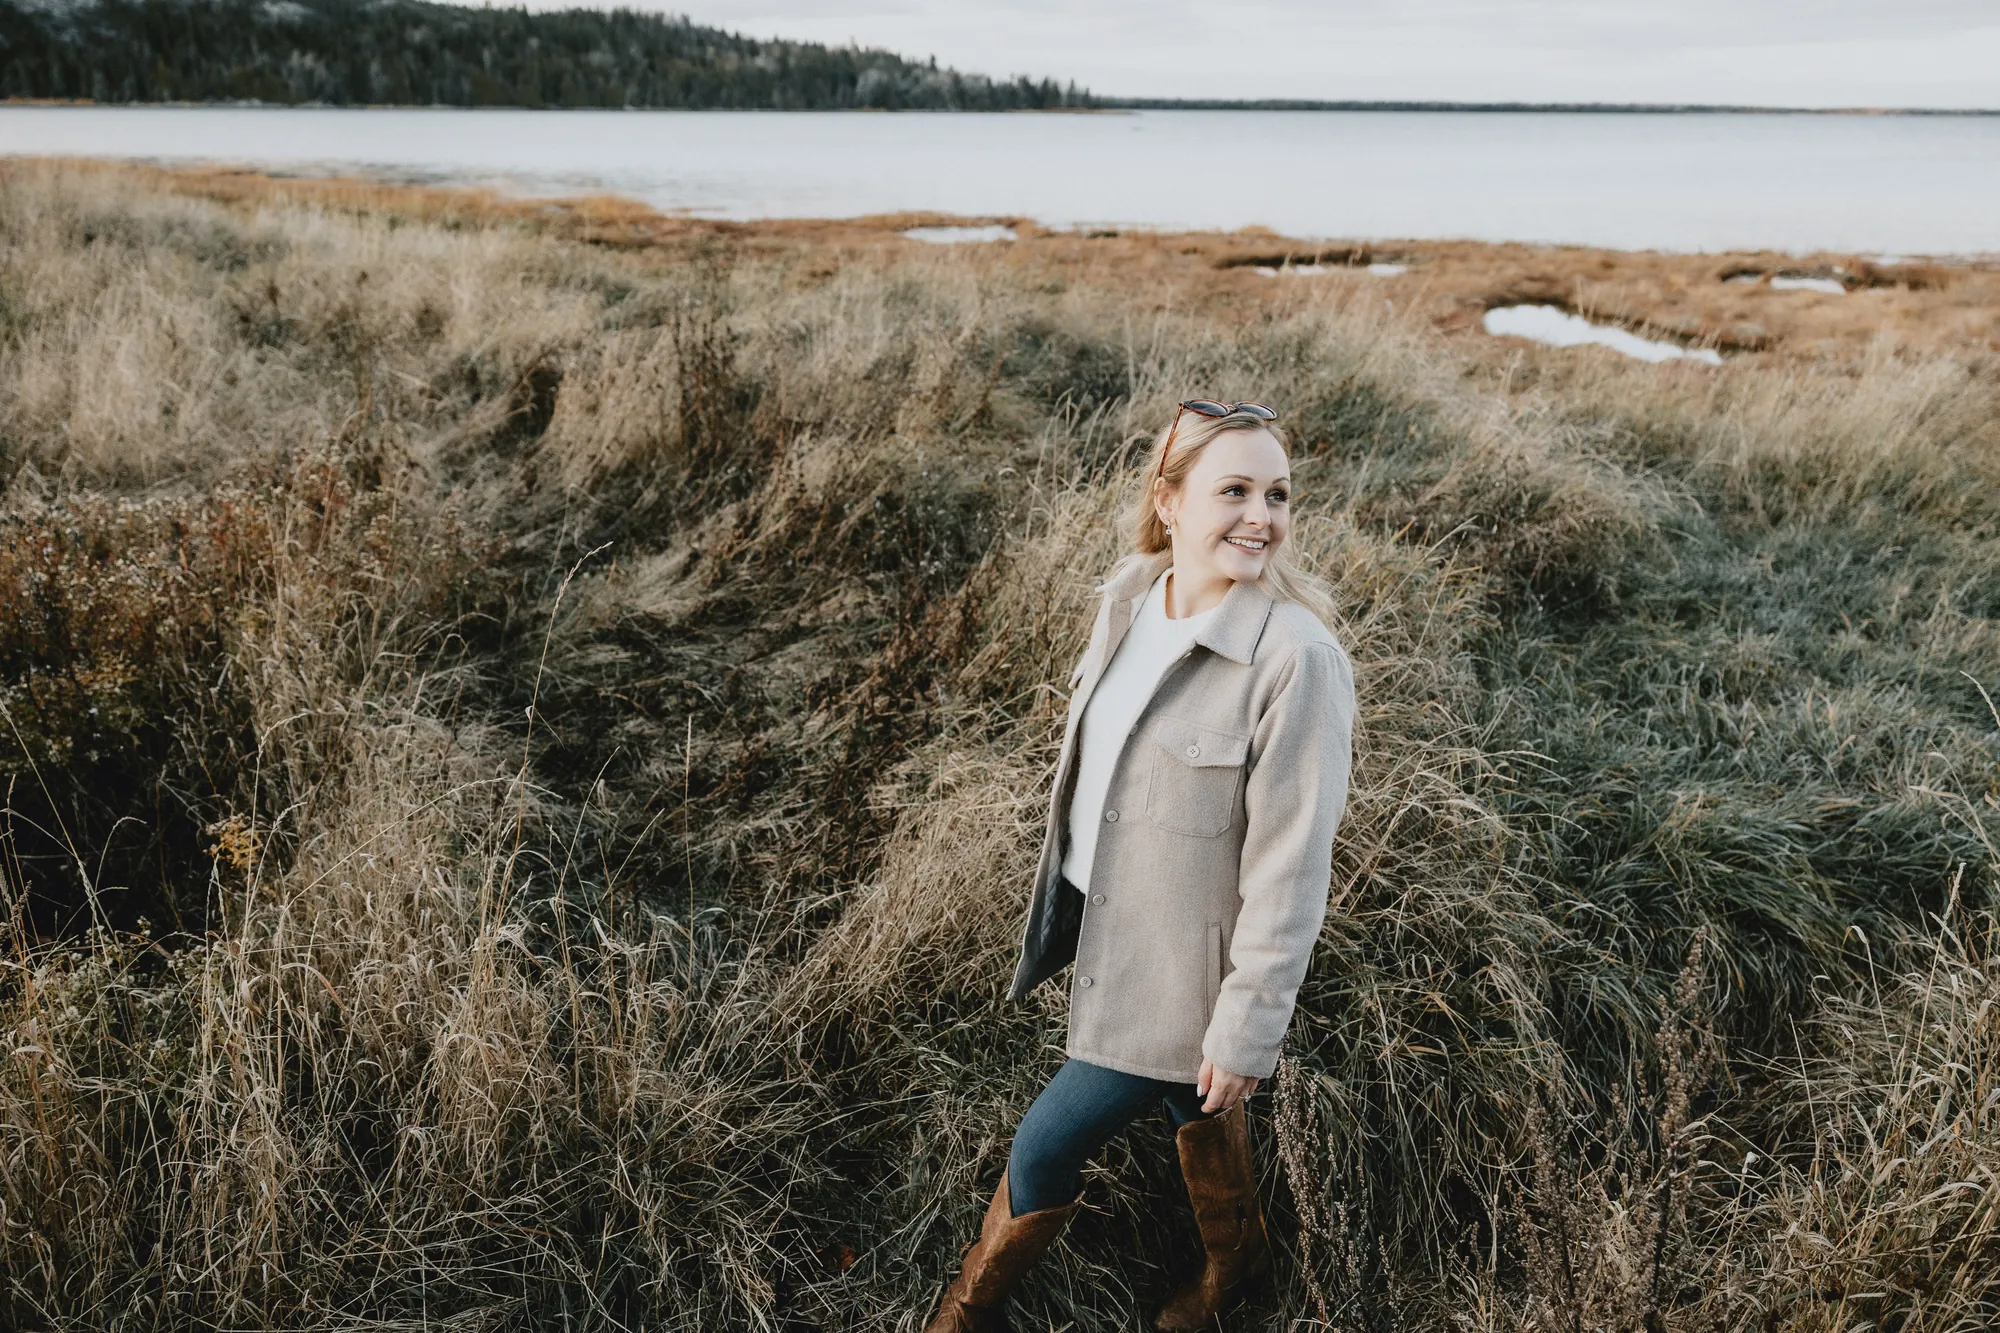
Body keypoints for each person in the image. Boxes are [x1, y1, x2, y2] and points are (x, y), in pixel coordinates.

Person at [923, 400, 1357, 1332]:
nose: (1261, 515)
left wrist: (1244, 1028)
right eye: (1233, 489)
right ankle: (1238, 1273)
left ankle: (966, 1314)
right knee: (1188, 1107)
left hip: (1183, 974)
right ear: (1167, 501)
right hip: (1107, 925)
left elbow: (1291, 866)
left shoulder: (1295, 660)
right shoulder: (1129, 599)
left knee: (1043, 1144)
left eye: (1276, 493)